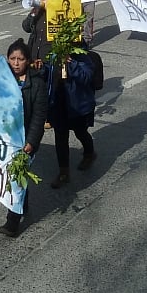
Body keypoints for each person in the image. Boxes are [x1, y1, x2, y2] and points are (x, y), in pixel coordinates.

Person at [0, 39, 48, 238]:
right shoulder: (2, 79)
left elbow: (38, 116)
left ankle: (12, 223)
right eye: (12, 59)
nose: (16, 63)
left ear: (28, 61)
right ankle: (23, 204)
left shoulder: (37, 84)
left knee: (16, 179)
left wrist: (32, 142)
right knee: (11, 178)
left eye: (20, 59)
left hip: (25, 140)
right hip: (6, 139)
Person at [46, 47, 97, 189]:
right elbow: (49, 74)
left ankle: (89, 153)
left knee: (80, 132)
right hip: (59, 102)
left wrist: (71, 63)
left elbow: (86, 77)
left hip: (77, 105)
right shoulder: (55, 54)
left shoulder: (83, 57)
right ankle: (63, 172)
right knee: (60, 137)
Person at [22, 0, 51, 66]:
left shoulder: (56, 13)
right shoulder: (38, 13)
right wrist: (32, 15)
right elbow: (26, 27)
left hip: (48, 59)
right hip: (34, 58)